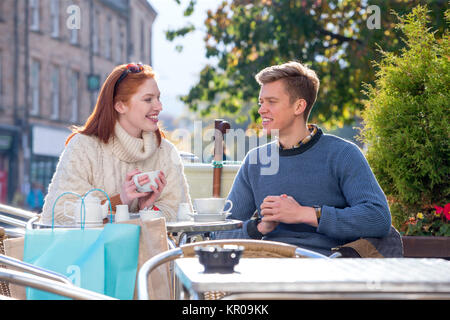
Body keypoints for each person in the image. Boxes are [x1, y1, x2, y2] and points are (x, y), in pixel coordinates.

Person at [214, 61, 392, 256]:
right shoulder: (255, 160)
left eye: (271, 102)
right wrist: (259, 227)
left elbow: (378, 218)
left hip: (326, 267)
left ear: (299, 106)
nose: (261, 110)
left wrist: (305, 214)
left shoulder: (343, 154)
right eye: (261, 102)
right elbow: (220, 233)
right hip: (266, 265)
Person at [41, 63, 191, 225]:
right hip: (88, 249)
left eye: (158, 98)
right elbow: (61, 214)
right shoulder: (83, 147)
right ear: (120, 106)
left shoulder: (165, 152)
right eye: (148, 99)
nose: (159, 107)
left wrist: (147, 209)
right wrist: (120, 200)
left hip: (151, 251)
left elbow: (182, 214)